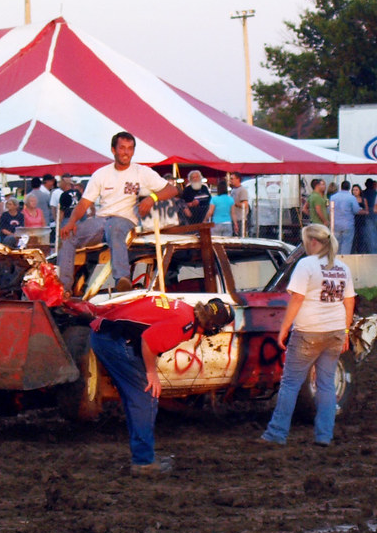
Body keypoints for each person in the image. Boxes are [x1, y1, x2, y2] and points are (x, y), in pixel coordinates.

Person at [67, 295, 235, 474]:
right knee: (145, 399)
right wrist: (151, 373)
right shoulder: (185, 324)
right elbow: (148, 340)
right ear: (211, 326)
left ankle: (144, 456)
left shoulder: (183, 308)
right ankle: (144, 462)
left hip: (106, 334)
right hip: (114, 341)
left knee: (137, 398)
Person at [260, 224, 354, 447]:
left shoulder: (306, 264)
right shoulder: (342, 267)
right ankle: (324, 435)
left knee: (291, 383)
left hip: (308, 331)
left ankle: (277, 433)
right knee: (326, 385)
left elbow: (297, 299)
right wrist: (347, 331)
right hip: (335, 331)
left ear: (313, 242)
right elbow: (349, 301)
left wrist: (284, 327)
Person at [58, 132, 177, 294]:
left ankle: (122, 279)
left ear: (133, 151)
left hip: (125, 220)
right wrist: (71, 222)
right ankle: (63, 288)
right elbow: (85, 202)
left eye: (130, 148)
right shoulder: (101, 174)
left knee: (115, 227)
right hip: (101, 220)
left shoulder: (142, 172)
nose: (126, 152)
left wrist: (152, 197)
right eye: (122, 148)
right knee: (68, 235)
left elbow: (172, 189)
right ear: (113, 150)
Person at [330, 180, 361, 253]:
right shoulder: (351, 198)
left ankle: (336, 260)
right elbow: (356, 210)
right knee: (346, 244)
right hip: (348, 224)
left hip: (335, 224)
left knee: (336, 244)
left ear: (341, 187)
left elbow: (329, 210)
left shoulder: (333, 197)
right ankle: (344, 260)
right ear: (349, 188)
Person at [230, 172, 251, 237]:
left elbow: (245, 204)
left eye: (232, 179)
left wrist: (235, 203)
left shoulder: (242, 190)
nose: (231, 180)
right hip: (234, 218)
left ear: (238, 179)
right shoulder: (233, 190)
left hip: (240, 219)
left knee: (240, 237)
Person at [352, 184, 367, 253]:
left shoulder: (363, 200)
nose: (355, 191)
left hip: (362, 221)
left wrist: (360, 211)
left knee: (361, 237)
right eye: (353, 190)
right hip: (353, 221)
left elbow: (366, 211)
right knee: (353, 238)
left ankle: (361, 252)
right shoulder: (351, 199)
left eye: (356, 190)